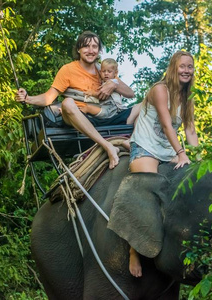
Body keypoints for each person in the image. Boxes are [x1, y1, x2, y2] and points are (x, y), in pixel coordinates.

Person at [15, 31, 140, 169]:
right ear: (79, 49)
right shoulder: (68, 70)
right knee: (67, 102)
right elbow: (48, 98)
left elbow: (131, 94)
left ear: (99, 50)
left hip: (108, 115)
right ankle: (107, 146)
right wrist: (27, 98)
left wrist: (114, 83)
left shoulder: (104, 69)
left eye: (94, 46)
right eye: (86, 46)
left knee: (147, 103)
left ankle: (134, 142)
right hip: (83, 118)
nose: (91, 50)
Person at [127, 50, 199, 277]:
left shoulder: (189, 97)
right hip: (146, 147)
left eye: (190, 67)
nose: (186, 70)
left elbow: (189, 130)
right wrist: (181, 153)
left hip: (168, 149)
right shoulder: (160, 90)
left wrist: (198, 159)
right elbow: (168, 126)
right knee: (146, 188)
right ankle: (133, 250)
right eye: (182, 66)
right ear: (173, 67)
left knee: (190, 185)